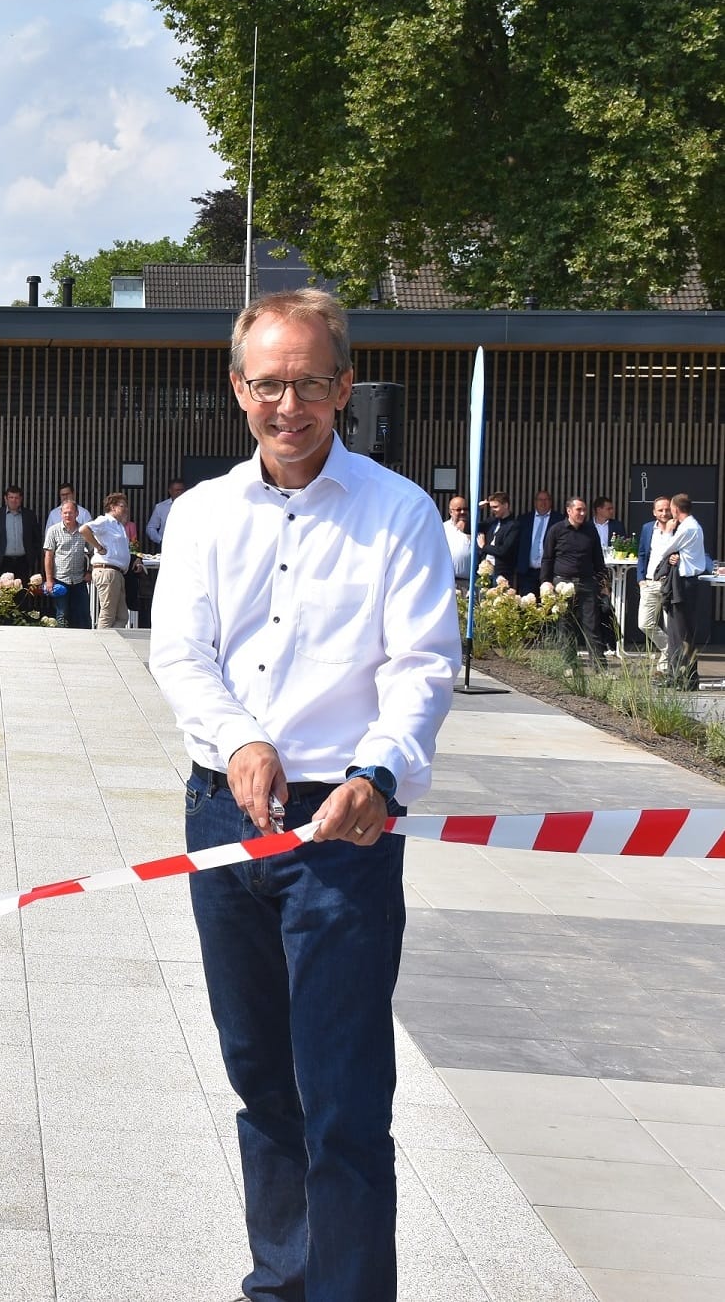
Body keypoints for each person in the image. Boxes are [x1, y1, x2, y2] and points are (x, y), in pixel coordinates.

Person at [150, 288, 459, 1302]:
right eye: (270, 383)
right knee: (261, 1082)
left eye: (311, 383)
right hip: (224, 815)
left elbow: (422, 664)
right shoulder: (199, 515)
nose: (291, 405)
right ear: (238, 388)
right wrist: (238, 739)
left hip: (346, 825)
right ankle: (281, 1284)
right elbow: (182, 655)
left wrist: (378, 770)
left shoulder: (398, 512)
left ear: (345, 386)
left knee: (344, 1095)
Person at [543, 496, 608, 662]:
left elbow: (598, 558)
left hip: (587, 582)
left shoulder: (590, 530)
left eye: (584, 510)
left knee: (592, 624)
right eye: (579, 509)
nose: (582, 513)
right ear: (569, 510)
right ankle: (568, 664)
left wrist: (602, 582)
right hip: (562, 582)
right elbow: (548, 558)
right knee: (565, 625)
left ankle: (599, 666)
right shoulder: (556, 530)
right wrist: (546, 581)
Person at [660, 493, 712, 688]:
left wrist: (668, 531)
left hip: (684, 583)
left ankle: (685, 678)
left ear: (675, 510)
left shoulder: (687, 528)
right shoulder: (693, 526)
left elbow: (666, 548)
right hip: (686, 582)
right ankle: (678, 676)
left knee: (680, 632)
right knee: (678, 632)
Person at [77, 490, 132, 628]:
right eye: (122, 506)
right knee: (108, 614)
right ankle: (102, 644)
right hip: (107, 570)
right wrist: (98, 547)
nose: (125, 509)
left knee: (122, 616)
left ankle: (111, 642)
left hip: (117, 572)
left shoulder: (119, 525)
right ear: (113, 507)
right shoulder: (105, 520)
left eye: (126, 506)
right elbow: (84, 529)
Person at [638, 496, 677, 671]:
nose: (664, 513)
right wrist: (640, 579)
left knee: (671, 626)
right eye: (660, 510)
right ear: (654, 512)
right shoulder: (647, 528)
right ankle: (673, 649)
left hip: (670, 583)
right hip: (649, 583)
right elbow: (642, 554)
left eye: (667, 509)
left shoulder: (679, 529)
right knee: (644, 624)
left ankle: (664, 669)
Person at [43, 498, 92, 628]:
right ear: (61, 514)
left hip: (79, 579)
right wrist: (49, 580)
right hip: (60, 578)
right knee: (62, 614)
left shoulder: (84, 530)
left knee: (83, 614)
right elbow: (48, 556)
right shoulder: (53, 530)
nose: (67, 515)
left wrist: (90, 571)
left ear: (77, 513)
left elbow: (94, 551)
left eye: (70, 512)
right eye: (65, 513)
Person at [0, 485, 34, 586]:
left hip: (23, 562)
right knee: (3, 594)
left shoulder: (29, 515)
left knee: (22, 593)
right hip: (3, 562)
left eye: (16, 498)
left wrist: (32, 557)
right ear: (5, 498)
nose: (14, 500)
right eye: (11, 497)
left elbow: (36, 537)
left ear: (21, 499)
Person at [478, 491, 522, 587]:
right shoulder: (491, 521)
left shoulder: (514, 525)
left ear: (505, 505)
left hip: (502, 571)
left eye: (496, 507)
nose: (493, 510)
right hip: (485, 569)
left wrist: (484, 547)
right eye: (491, 507)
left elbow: (503, 550)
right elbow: (469, 528)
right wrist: (477, 509)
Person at [520, 488, 556, 597]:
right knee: (527, 606)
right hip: (527, 572)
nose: (543, 503)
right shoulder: (524, 519)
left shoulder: (559, 520)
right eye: (540, 500)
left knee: (547, 606)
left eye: (546, 500)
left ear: (550, 502)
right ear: (535, 502)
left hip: (549, 572)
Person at [145, 478, 186, 549]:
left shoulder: (192, 506)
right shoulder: (160, 507)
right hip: (166, 546)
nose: (180, 493)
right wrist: (160, 540)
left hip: (187, 546)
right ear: (170, 491)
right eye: (177, 490)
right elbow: (150, 528)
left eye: (181, 490)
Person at [443, 495, 474, 584]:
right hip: (447, 581)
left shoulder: (475, 528)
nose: (463, 512)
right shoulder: (443, 528)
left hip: (469, 583)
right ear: (450, 511)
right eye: (458, 509)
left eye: (465, 509)